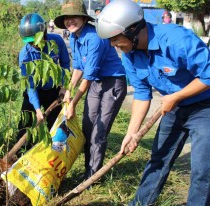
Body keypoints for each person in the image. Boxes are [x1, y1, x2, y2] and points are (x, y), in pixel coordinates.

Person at [96, 0, 210, 205]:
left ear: (132, 29)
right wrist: (131, 133)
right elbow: (142, 93)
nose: (114, 45)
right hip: (174, 107)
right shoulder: (130, 56)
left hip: (208, 104)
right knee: (159, 158)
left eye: (115, 39)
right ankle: (141, 203)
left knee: (202, 168)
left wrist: (176, 97)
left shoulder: (176, 39)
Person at [54, 0, 127, 180]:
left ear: (84, 19)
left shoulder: (94, 38)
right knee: (87, 127)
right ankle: (89, 168)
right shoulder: (73, 36)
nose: (70, 21)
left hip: (113, 83)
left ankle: (92, 176)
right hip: (96, 84)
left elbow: (89, 74)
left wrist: (73, 104)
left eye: (74, 17)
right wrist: (69, 91)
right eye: (67, 18)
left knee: (99, 131)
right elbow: (78, 68)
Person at [16, 13, 70, 149]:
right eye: (30, 42)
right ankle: (21, 154)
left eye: (35, 40)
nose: (33, 44)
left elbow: (65, 64)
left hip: (53, 91)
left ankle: (54, 151)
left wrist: (64, 86)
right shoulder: (25, 55)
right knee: (25, 125)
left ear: (44, 33)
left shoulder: (56, 41)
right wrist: (37, 108)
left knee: (56, 125)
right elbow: (30, 85)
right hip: (33, 92)